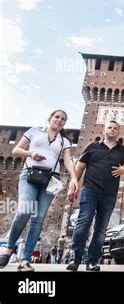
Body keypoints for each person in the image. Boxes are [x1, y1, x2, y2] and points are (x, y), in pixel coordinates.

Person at [0, 110, 78, 272]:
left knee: (39, 219)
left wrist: (74, 178)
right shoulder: (34, 131)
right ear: (50, 118)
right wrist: (31, 153)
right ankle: (8, 248)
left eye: (63, 119)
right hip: (30, 174)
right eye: (57, 117)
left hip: (51, 179)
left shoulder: (64, 141)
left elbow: (68, 161)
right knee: (23, 212)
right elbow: (15, 151)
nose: (59, 120)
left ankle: (25, 260)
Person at [66, 120, 124, 272]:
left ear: (118, 132)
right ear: (104, 130)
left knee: (101, 228)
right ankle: (75, 258)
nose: (112, 130)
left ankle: (92, 261)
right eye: (109, 128)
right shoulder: (92, 147)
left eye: (115, 128)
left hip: (109, 194)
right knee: (84, 222)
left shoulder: (123, 151)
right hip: (90, 190)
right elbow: (79, 167)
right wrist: (73, 187)